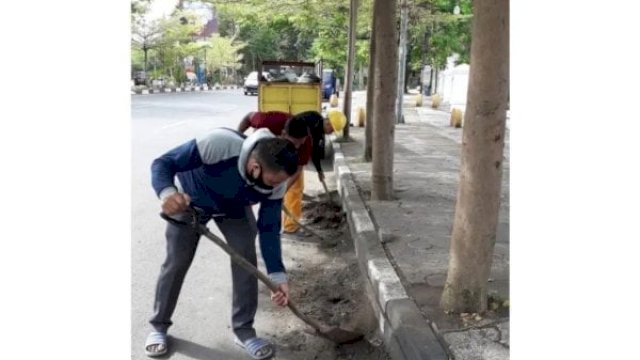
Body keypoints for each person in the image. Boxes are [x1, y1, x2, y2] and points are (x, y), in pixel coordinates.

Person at [145, 127, 299, 359]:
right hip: (189, 203)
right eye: (271, 181)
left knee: (246, 259)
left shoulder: (277, 181)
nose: (276, 186)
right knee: (176, 263)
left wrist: (277, 277)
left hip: (234, 208)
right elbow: (163, 163)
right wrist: (168, 194)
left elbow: (269, 230)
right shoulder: (218, 145)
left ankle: (244, 331)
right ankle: (159, 326)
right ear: (254, 168)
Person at [237, 110, 346, 236]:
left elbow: (301, 166)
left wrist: (283, 190)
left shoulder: (306, 142)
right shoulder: (270, 122)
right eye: (295, 143)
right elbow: (248, 117)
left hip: (288, 160)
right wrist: (238, 136)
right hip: (264, 155)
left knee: (295, 189)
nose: (298, 147)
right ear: (283, 134)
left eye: (301, 143)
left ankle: (289, 226)